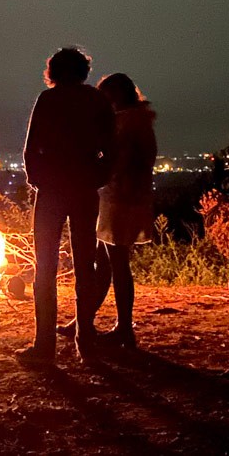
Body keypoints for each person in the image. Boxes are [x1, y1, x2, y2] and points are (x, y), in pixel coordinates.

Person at [16, 47, 116, 364]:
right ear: (83, 70)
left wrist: (38, 179)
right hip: (84, 189)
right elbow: (111, 148)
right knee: (85, 265)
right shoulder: (96, 100)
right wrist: (97, 177)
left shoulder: (49, 100)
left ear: (54, 71)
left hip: (52, 191)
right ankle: (84, 340)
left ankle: (44, 345)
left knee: (45, 268)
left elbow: (31, 148)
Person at [91, 73, 157, 348]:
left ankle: (124, 328)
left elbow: (120, 160)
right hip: (123, 197)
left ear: (115, 95)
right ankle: (87, 319)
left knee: (116, 263)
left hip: (121, 198)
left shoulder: (127, 122)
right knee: (105, 262)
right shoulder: (138, 119)